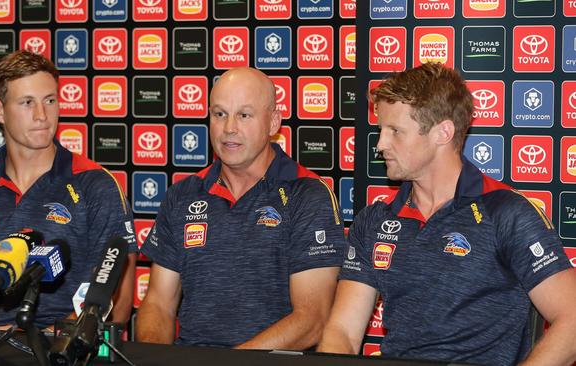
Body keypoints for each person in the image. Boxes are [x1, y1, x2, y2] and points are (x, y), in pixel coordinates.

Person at [317, 62, 576, 365]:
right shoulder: (375, 220)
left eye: (395, 131)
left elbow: (571, 319)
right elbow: (343, 332)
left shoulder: (505, 212)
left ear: (442, 132)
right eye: (380, 130)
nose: (380, 144)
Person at [135, 67, 345, 349]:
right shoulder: (182, 195)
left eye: (244, 115)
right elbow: (158, 303)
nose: (229, 128)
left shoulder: (307, 194)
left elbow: (313, 319)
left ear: (273, 123)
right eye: (219, 114)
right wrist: (154, 358)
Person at [0, 50, 138, 328]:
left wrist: (25, 344)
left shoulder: (96, 185)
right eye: (27, 102)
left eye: (50, 101)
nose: (42, 115)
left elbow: (119, 304)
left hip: (66, 353)